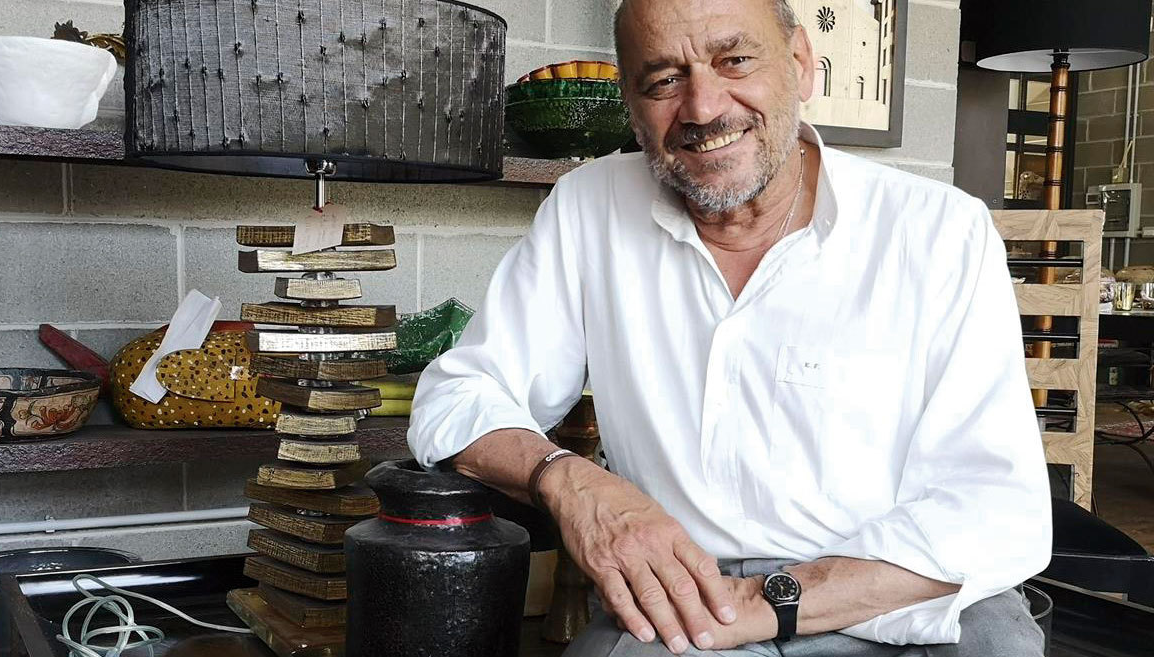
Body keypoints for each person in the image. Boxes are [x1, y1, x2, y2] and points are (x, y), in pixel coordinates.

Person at [407, 0, 1052, 654]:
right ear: (631, 104)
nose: (704, 108)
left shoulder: (939, 230)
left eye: (735, 60)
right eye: (663, 81)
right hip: (690, 597)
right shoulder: (587, 209)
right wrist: (570, 480)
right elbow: (456, 399)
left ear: (800, 63)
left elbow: (997, 506)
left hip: (899, 590)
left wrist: (770, 601)